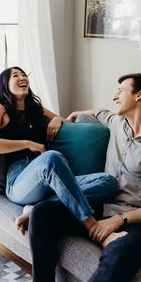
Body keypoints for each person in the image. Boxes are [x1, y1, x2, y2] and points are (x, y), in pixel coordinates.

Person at [0, 66, 119, 239]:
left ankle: (38, 208)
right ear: (4, 85)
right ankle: (91, 224)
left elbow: (64, 119)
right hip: (20, 179)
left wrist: (55, 119)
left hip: (53, 179)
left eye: (24, 74)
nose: (22, 77)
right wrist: (27, 144)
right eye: (15, 75)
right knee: (52, 157)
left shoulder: (37, 110)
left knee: (109, 182)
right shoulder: (0, 109)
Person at [28, 73, 141, 282]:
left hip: (133, 219)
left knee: (120, 252)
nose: (115, 96)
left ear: (138, 96)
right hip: (99, 206)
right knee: (42, 213)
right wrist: (61, 118)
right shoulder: (116, 121)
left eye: (121, 91)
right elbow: (93, 112)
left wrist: (118, 220)